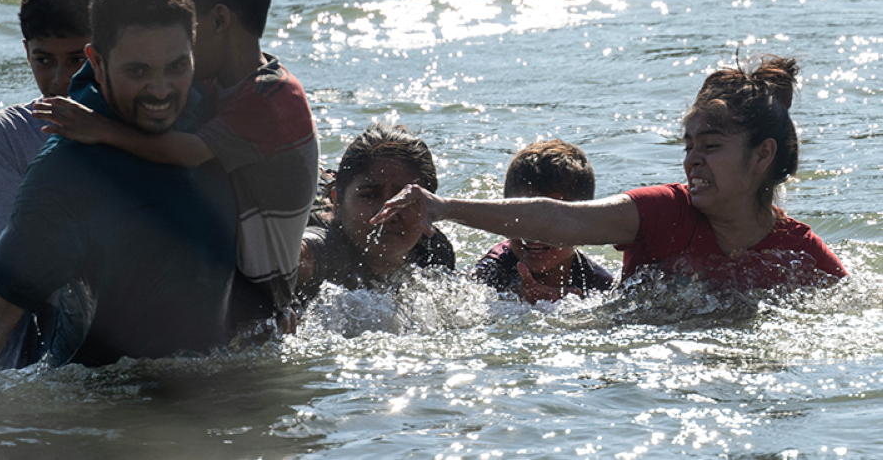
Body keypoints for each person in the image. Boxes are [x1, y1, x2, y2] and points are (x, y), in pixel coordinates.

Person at [0, 0, 273, 410]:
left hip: (217, 395)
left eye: (176, 65)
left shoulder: (213, 108)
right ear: (98, 62)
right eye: (137, 71)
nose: (160, 90)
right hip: (106, 407)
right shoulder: (68, 174)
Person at [374, 55, 848, 291]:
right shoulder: (663, 211)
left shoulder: (800, 252)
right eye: (688, 146)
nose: (692, 160)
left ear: (762, 155)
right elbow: (560, 220)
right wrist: (446, 207)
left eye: (711, 146)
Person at [34, 0, 318, 316]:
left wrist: (99, 129)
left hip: (261, 308)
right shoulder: (218, 83)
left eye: (185, 29)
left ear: (218, 21)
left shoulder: (271, 94)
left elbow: (189, 151)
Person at [0, 0, 97, 370]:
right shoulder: (5, 134)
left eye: (78, 60)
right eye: (44, 60)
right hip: (34, 332)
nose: (61, 79)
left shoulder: (134, 123)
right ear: (27, 52)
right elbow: (6, 263)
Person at [296, 124, 455, 304]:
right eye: (370, 195)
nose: (387, 212)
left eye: (405, 198)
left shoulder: (433, 252)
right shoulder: (322, 251)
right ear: (337, 203)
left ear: (429, 205)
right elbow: (290, 257)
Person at [474, 140, 614, 303]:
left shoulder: (599, 284)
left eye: (550, 221)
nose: (533, 234)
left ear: (582, 224)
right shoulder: (491, 271)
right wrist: (513, 298)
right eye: (523, 217)